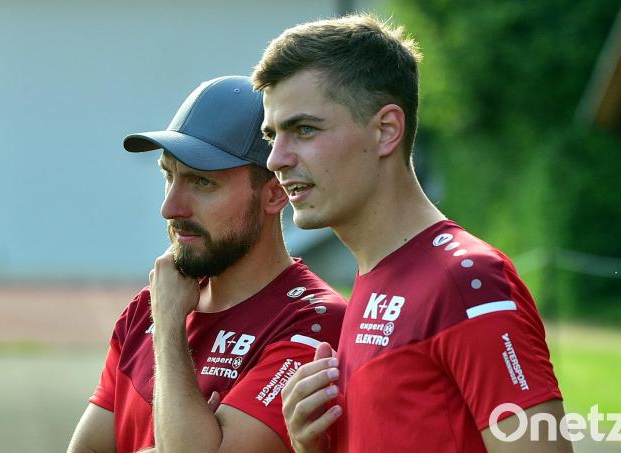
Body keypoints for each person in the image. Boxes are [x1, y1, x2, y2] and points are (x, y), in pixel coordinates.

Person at [253, 14, 571, 453]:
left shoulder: (468, 280)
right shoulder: (374, 275)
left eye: (304, 129)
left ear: (386, 131)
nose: (276, 159)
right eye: (273, 136)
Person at [67, 75, 346, 453]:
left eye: (201, 183)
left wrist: (168, 327)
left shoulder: (314, 322)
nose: (170, 207)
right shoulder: (143, 311)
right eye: (169, 176)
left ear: (274, 193)